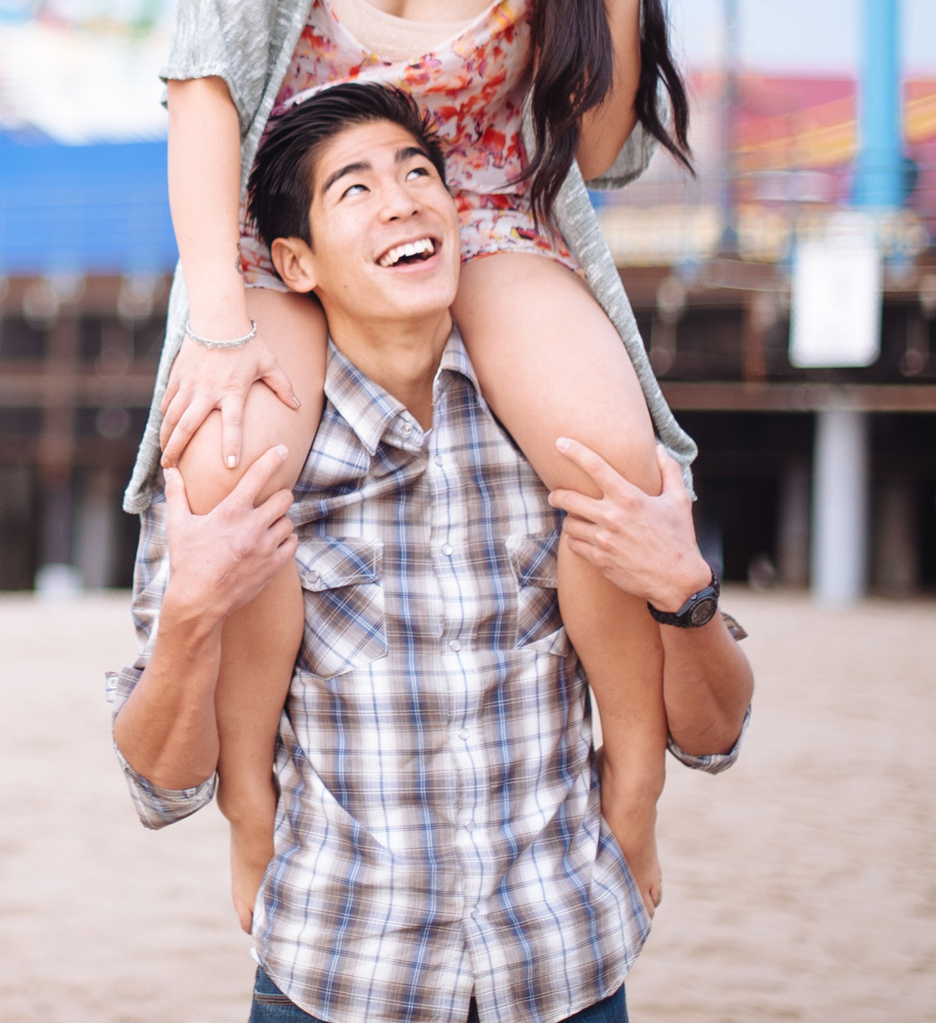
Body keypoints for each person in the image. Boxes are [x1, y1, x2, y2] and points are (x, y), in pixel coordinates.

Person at [138, 0, 698, 925]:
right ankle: (251, 809)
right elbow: (205, 84)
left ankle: (638, 782)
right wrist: (219, 318)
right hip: (289, 216)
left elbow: (596, 153)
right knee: (234, 470)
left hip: (478, 213)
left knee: (608, 457)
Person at [109, 82, 752, 1023]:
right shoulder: (249, 468)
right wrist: (194, 611)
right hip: (338, 976)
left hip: (564, 967)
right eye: (355, 189)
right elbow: (158, 788)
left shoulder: (565, 427)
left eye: (419, 174)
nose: (405, 198)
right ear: (295, 262)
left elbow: (718, 736)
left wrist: (685, 594)